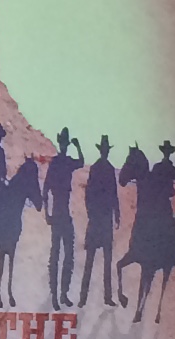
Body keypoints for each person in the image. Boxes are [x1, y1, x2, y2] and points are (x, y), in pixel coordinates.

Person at [78, 132, 121, 307]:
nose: (105, 152)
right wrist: (92, 213)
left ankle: (104, 297)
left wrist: (116, 213)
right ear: (103, 151)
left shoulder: (106, 168)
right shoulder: (99, 168)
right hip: (99, 220)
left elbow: (113, 194)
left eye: (106, 150)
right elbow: (89, 193)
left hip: (102, 220)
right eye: (104, 150)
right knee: (92, 260)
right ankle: (84, 297)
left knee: (105, 260)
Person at [43, 129, 82, 309]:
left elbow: (80, 162)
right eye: (64, 143)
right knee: (57, 255)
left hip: (63, 214)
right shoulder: (59, 163)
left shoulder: (64, 162)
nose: (64, 146)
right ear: (61, 144)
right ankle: (55, 295)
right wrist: (47, 214)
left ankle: (63, 293)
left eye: (66, 143)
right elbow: (45, 190)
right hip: (59, 214)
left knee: (66, 256)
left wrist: (78, 147)